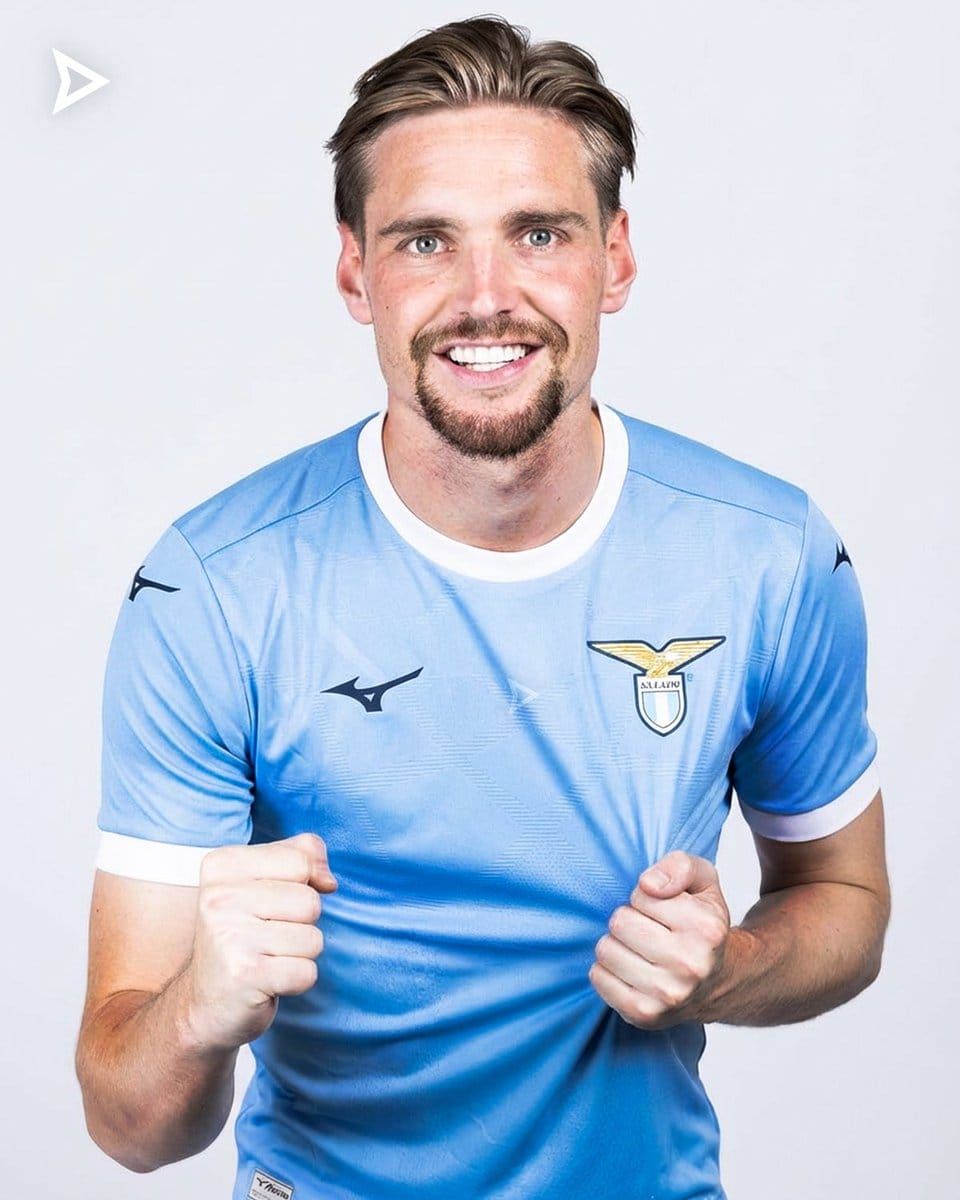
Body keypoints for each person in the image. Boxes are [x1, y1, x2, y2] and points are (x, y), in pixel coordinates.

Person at [75, 15, 890, 1200]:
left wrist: (728, 968)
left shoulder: (771, 555)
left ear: (615, 258)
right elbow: (130, 1126)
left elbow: (846, 901)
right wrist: (201, 1006)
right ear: (355, 272)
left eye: (539, 233)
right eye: (425, 241)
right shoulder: (214, 588)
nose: (486, 297)